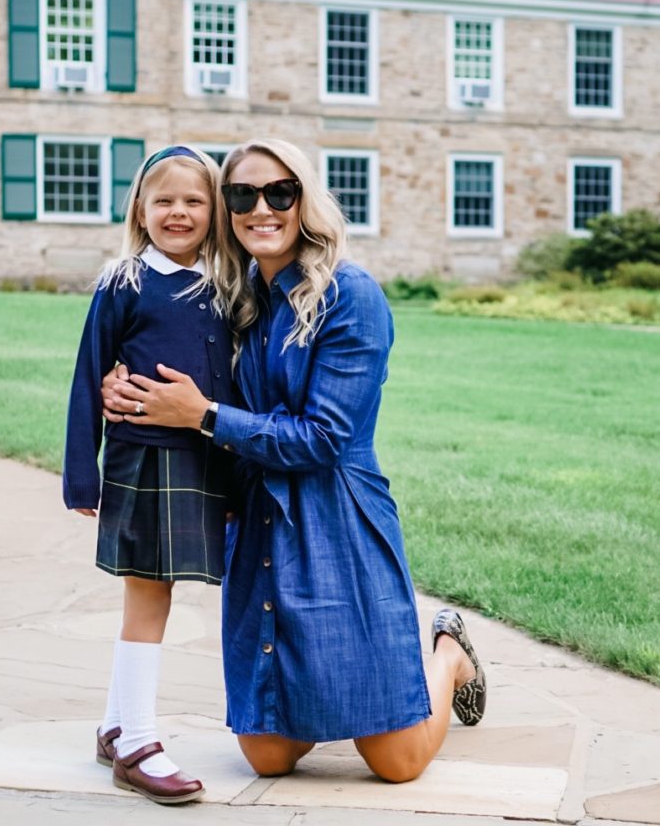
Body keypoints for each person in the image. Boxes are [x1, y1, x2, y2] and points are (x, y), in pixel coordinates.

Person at [102, 137, 486, 784]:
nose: (261, 208)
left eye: (278, 192)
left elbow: (321, 438)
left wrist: (201, 414)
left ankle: (446, 652)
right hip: (257, 521)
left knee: (395, 763)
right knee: (268, 757)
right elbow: (174, 363)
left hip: (338, 517)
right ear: (224, 209)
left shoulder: (350, 295)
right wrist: (124, 385)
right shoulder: (237, 295)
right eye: (241, 195)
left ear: (303, 200)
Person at [62, 144, 237, 805]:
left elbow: (230, 386)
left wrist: (233, 478)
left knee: (158, 593)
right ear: (140, 207)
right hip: (143, 461)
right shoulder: (124, 281)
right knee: (150, 595)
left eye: (194, 200)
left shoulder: (225, 287)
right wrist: (84, 474)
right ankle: (137, 741)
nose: (179, 211)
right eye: (163, 199)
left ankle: (112, 723)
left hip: (203, 461)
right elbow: (87, 376)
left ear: (213, 210)